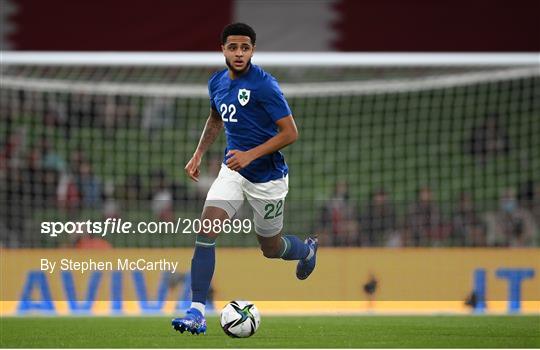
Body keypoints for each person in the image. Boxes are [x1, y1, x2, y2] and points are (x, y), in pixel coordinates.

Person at [172, 23, 318, 335]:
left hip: (268, 179)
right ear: (222, 49)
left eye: (245, 48)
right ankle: (197, 310)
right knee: (206, 230)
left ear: (252, 50)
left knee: (270, 248)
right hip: (232, 170)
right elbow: (215, 118)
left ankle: (305, 251)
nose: (239, 53)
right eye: (233, 47)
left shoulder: (264, 85)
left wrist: (251, 155)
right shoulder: (216, 82)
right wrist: (198, 153)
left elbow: (291, 132)